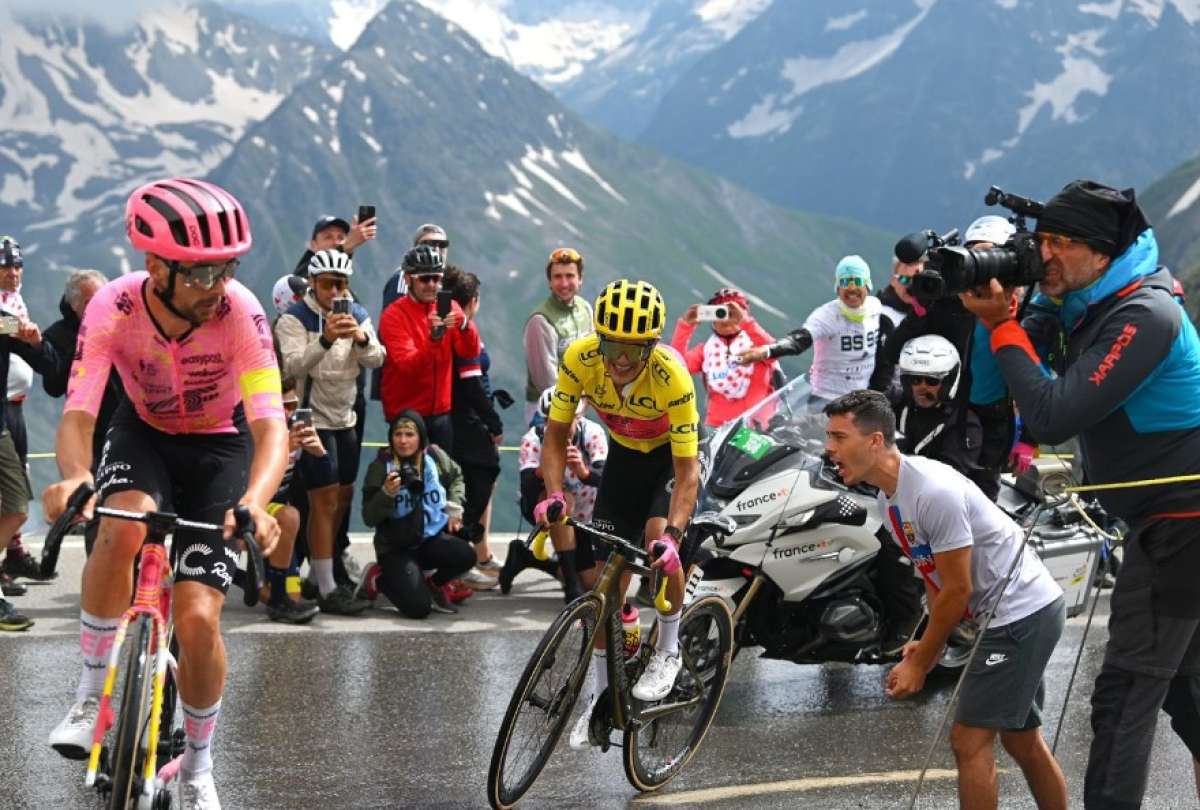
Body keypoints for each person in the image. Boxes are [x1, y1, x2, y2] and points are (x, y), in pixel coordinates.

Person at [42, 177, 287, 810]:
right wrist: (75, 476)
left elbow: (270, 425)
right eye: (203, 273)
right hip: (144, 433)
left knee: (200, 617)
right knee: (121, 526)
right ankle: (89, 698)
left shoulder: (241, 313)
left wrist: (256, 501)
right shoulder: (113, 307)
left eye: (227, 269)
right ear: (157, 268)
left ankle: (199, 767)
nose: (218, 286)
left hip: (220, 447)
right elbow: (79, 411)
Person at [960, 180, 1200, 809]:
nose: (1045, 254)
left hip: (1183, 520)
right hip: (1161, 520)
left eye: (1061, 242)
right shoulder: (1079, 302)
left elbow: (1050, 417)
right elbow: (988, 391)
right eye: (1041, 240)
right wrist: (995, 323)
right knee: (1189, 695)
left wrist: (1006, 324)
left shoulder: (1145, 314)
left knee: (1125, 695)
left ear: (1101, 252)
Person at [824, 390, 1067, 810]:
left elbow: (958, 589)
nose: (829, 448)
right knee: (1021, 739)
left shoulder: (931, 491)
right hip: (1013, 613)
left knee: (968, 740)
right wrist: (930, 646)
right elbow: (935, 578)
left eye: (839, 437)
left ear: (876, 441)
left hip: (1019, 614)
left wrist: (920, 664)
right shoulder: (889, 499)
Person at [532, 279, 701, 740]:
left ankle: (668, 649)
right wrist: (553, 494)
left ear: (652, 345)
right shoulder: (580, 357)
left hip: (669, 461)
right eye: (613, 347)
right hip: (624, 458)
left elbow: (687, 472)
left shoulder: (672, 374)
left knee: (657, 538)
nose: (621, 360)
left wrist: (674, 537)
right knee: (608, 588)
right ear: (599, 338)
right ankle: (601, 695)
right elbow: (555, 435)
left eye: (634, 349)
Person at [275, 249, 384, 616]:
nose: (335, 291)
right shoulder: (294, 319)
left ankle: (319, 572)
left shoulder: (358, 313)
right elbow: (291, 366)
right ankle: (327, 589)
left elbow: (378, 358)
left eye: (341, 284)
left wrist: (361, 339)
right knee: (322, 501)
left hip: (346, 418)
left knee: (341, 498)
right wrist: (323, 340)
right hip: (312, 419)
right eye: (327, 284)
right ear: (313, 283)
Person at [360, 411, 475, 617]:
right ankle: (379, 579)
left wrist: (455, 508)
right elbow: (368, 517)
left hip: (429, 538)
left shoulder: (434, 457)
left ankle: (434, 584)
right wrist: (386, 494)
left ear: (420, 437)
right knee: (418, 609)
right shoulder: (381, 467)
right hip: (395, 547)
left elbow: (456, 477)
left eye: (409, 435)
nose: (403, 441)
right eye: (398, 434)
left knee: (467, 555)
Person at [736, 255, 886, 408]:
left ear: (868, 285)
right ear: (837, 288)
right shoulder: (826, 316)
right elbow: (798, 340)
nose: (852, 288)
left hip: (861, 400)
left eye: (858, 281)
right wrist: (767, 351)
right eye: (845, 282)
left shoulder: (875, 307)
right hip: (825, 401)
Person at [503, 387, 608, 599]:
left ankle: (528, 558)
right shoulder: (533, 439)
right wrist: (545, 468)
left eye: (567, 420)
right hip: (545, 509)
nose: (560, 428)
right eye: (552, 422)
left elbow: (607, 480)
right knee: (562, 502)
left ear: (578, 417)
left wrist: (584, 472)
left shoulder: (592, 433)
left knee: (591, 582)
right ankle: (571, 587)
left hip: (585, 515)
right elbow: (526, 487)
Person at [442, 266, 510, 589]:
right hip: (467, 418)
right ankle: (459, 555)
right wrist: (493, 422)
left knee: (470, 482)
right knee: (480, 476)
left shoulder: (454, 325)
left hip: (461, 415)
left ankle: (470, 554)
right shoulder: (463, 330)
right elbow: (471, 384)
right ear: (472, 301)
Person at [378, 244, 481, 448]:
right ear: (408, 279)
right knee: (411, 470)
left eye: (437, 278)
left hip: (441, 412)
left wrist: (464, 325)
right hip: (406, 414)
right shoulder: (393, 315)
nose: (432, 285)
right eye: (425, 279)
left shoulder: (449, 306)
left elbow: (470, 352)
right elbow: (409, 365)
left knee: (442, 468)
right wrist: (433, 340)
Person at [259, 379, 322, 625]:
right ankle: (271, 595)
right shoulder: (259, 429)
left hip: (277, 507)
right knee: (289, 515)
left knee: (294, 596)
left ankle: (263, 587)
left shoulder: (298, 429)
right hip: (252, 503)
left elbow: (326, 479)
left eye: (292, 405)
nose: (288, 412)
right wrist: (283, 451)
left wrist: (319, 453)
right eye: (281, 406)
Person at [671, 287, 779, 427]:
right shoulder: (706, 351)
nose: (726, 318)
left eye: (731, 312)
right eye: (719, 312)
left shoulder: (758, 345)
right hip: (717, 429)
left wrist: (746, 322)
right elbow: (675, 369)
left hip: (755, 429)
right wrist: (685, 326)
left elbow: (775, 351)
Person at [894, 334, 983, 477]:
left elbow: (951, 478)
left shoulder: (963, 424)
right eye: (916, 380)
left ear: (948, 381)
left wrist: (903, 460)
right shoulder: (896, 405)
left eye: (932, 381)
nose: (922, 387)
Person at [523, 247, 593, 424]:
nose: (564, 283)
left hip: (578, 407)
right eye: (557, 277)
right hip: (545, 412)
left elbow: (593, 358)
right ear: (549, 281)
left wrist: (585, 400)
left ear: (580, 279)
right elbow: (546, 382)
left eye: (570, 276)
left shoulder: (585, 309)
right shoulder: (540, 320)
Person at [379, 223, 450, 313]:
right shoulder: (403, 278)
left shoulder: (451, 278)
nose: (436, 249)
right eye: (428, 244)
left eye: (442, 244)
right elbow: (393, 314)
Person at [291, 213, 376, 277]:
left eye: (341, 237)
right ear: (313, 245)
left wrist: (347, 249)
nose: (336, 242)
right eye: (328, 237)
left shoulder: (342, 287)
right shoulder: (301, 277)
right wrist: (345, 247)